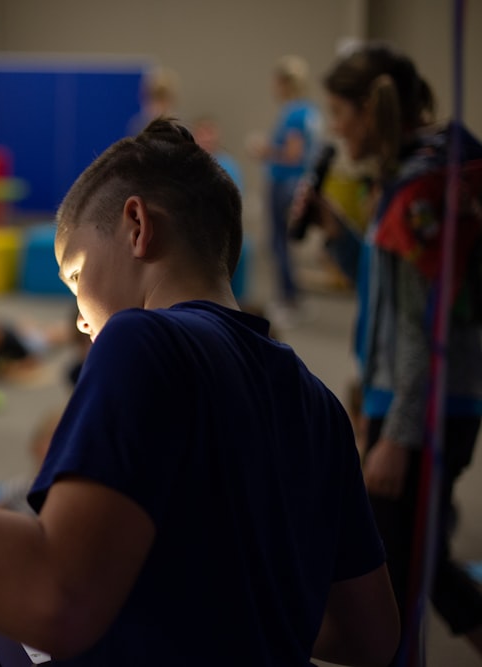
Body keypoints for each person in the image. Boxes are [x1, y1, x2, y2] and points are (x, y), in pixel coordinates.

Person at [0, 118, 399, 665]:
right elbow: (370, 635)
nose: (79, 318)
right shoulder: (318, 404)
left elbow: (56, 598)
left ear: (136, 225)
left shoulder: (145, 340)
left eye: (75, 277)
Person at [299, 43, 482, 664]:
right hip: (413, 403)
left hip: (421, 412)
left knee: (391, 588)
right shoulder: (404, 181)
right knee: (413, 558)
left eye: (338, 113)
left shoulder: (420, 190)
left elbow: (419, 329)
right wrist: (336, 234)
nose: (333, 128)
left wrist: (398, 435)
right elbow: (386, 294)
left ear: (368, 111)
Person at [248, 55, 321, 328]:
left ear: (285, 83)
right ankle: (294, 296)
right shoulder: (310, 113)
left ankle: (288, 299)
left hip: (284, 183)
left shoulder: (293, 113)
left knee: (278, 243)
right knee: (285, 243)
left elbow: (292, 154)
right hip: (297, 182)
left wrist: (263, 149)